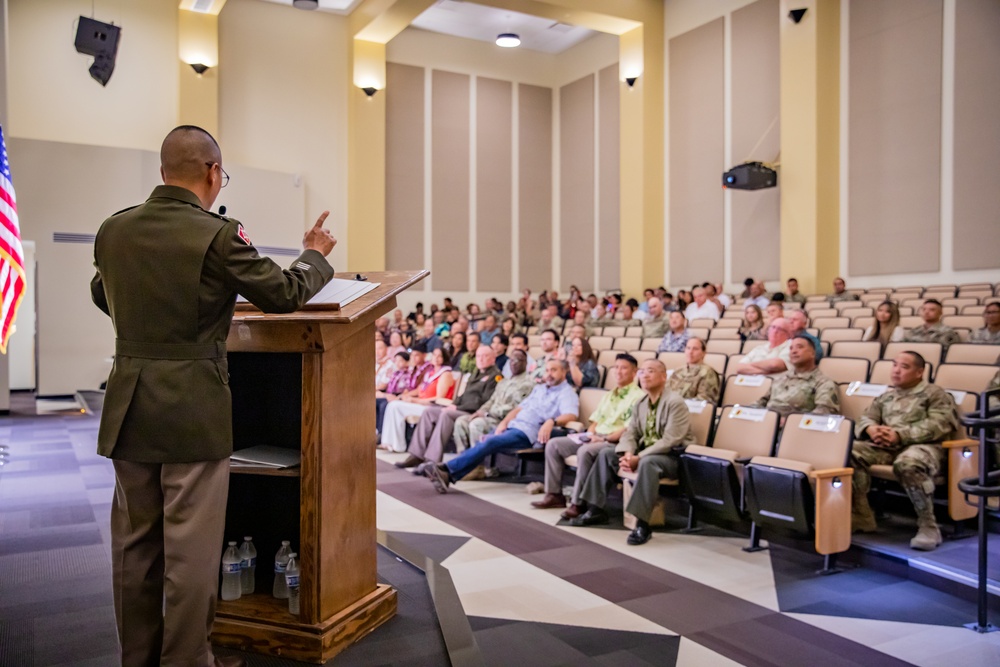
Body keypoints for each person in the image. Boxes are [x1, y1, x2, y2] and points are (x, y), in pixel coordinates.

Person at [90, 125, 335, 667]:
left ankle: (138, 658)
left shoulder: (114, 230)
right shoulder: (218, 235)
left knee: (134, 551)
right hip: (191, 411)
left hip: (129, 406)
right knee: (189, 554)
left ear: (162, 173)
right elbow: (284, 293)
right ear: (212, 173)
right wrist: (313, 254)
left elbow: (101, 292)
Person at [569, 360, 696, 545]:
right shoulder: (641, 403)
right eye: (642, 372)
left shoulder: (675, 402)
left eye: (650, 371)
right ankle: (595, 509)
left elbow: (670, 440)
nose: (644, 375)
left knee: (647, 463)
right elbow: (631, 433)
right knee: (606, 453)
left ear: (663, 376)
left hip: (671, 457)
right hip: (644, 453)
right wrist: (628, 453)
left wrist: (639, 457)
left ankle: (642, 524)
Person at [850, 351, 963, 551]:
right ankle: (862, 516)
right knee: (849, 452)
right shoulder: (887, 395)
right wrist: (872, 429)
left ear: (919, 372)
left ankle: (928, 525)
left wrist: (900, 435)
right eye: (894, 365)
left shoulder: (936, 394)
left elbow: (939, 424)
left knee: (908, 463)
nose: (896, 370)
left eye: (904, 366)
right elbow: (867, 417)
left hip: (926, 447)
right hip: (887, 446)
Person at [424, 359, 580, 492]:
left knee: (489, 442)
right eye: (547, 370)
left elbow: (571, 414)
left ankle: (446, 469)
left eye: (554, 370)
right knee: (485, 440)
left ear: (564, 372)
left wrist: (551, 421)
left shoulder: (566, 393)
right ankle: (448, 475)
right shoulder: (539, 389)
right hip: (514, 425)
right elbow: (519, 409)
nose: (549, 374)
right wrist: (504, 422)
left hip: (528, 432)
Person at [532, 353, 645, 513]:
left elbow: (628, 429)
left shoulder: (639, 397)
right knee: (554, 445)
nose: (619, 371)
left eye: (624, 368)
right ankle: (554, 495)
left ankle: (578, 503)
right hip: (597, 437)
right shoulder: (609, 394)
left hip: (614, 442)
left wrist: (602, 438)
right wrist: (590, 435)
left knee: (586, 451)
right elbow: (595, 422)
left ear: (634, 373)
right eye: (616, 367)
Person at [395, 345, 502, 469]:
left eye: (485, 356)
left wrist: (457, 408)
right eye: (478, 356)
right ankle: (416, 455)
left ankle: (432, 460)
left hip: (472, 413)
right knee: (429, 412)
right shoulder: (475, 373)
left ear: (493, 358)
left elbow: (485, 401)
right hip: (460, 408)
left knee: (446, 415)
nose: (481, 359)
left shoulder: (496, 377)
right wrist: (453, 404)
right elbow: (463, 395)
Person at [453, 350, 536, 454]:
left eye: (518, 360)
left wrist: (488, 413)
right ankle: (462, 458)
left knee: (476, 424)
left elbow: (515, 408)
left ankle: (480, 464)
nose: (514, 363)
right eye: (511, 360)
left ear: (525, 362)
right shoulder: (504, 381)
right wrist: (480, 411)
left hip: (505, 421)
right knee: (461, 422)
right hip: (489, 417)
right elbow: (491, 400)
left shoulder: (527, 384)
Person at [379, 347, 455, 452]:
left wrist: (415, 400)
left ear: (444, 358)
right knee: (393, 404)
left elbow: (439, 398)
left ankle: (398, 446)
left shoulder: (445, 374)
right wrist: (405, 396)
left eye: (440, 356)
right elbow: (419, 390)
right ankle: (388, 443)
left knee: (396, 406)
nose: (436, 358)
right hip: (421, 403)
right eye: (434, 355)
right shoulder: (431, 372)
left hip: (432, 407)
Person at [751, 335, 840, 420]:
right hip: (767, 424)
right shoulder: (781, 378)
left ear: (812, 353)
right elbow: (762, 401)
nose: (794, 351)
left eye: (799, 347)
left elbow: (825, 412)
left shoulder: (823, 382)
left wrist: (791, 423)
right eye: (791, 348)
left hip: (794, 430)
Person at [668, 338, 721, 403]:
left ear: (703, 353)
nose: (690, 352)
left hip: (692, 410)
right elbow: (666, 392)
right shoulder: (678, 371)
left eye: (695, 349)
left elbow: (706, 399)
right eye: (688, 348)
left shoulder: (708, 372)